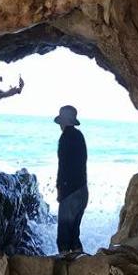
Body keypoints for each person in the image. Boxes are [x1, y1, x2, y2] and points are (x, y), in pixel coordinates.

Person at [55, 105, 88, 255]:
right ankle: (80, 262)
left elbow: (63, 166)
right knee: (74, 235)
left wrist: (60, 189)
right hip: (82, 189)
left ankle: (64, 265)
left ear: (63, 121)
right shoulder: (79, 136)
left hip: (70, 191)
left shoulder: (65, 138)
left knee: (64, 237)